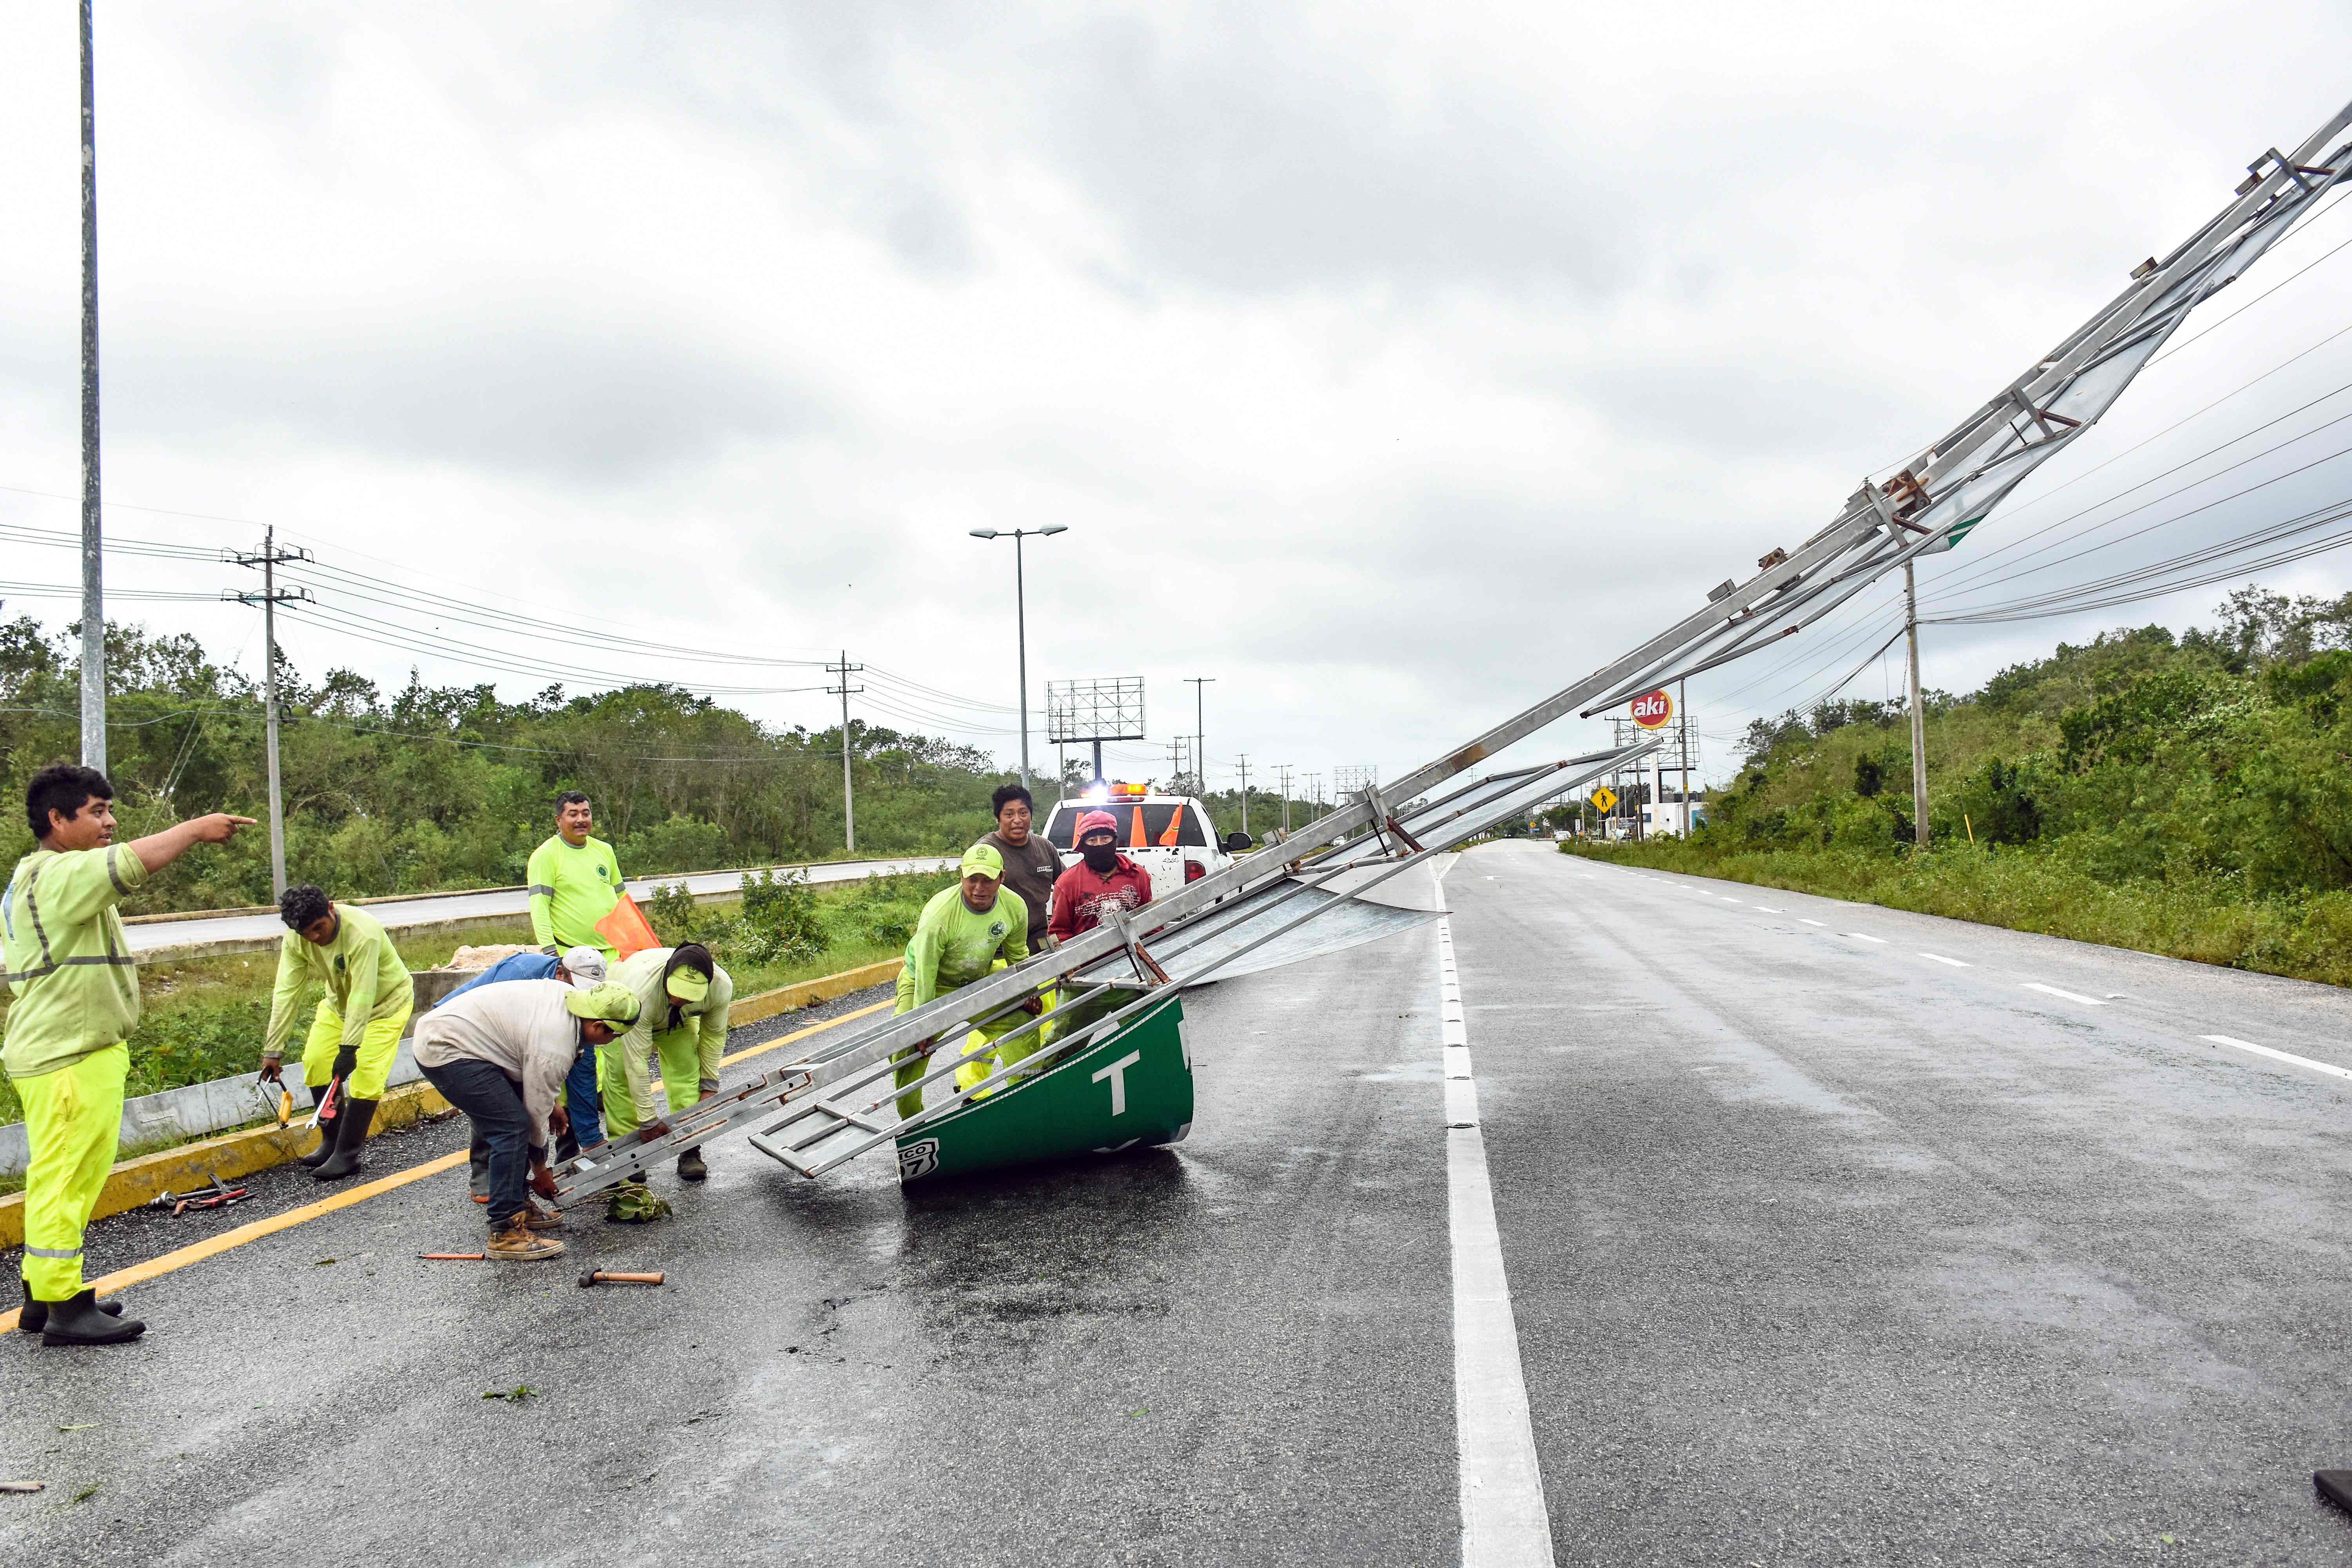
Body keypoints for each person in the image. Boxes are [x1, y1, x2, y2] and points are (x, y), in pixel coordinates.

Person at [3, 763, 252, 1345]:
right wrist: (193, 829)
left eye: (109, 811)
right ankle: (64, 1307)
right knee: (66, 1181)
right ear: (57, 820)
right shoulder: (60, 874)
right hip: (67, 1055)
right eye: (96, 812)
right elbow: (132, 864)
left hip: (68, 1050)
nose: (110, 822)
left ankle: (41, 1293)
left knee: (62, 1178)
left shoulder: (38, 876)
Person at [412, 978, 642, 1261]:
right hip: (446, 1046)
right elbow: (535, 1115)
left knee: (516, 1121)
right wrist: (541, 1168)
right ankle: (506, 1231)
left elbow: (531, 1064)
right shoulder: (554, 1046)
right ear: (597, 1026)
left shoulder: (572, 1002)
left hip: (473, 1040)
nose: (612, 1042)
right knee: (511, 1127)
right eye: (614, 1036)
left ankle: (518, 1203)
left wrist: (553, 1103)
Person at [260, 884, 415, 1182]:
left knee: (367, 1074)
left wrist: (349, 1049)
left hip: (385, 1005)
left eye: (319, 928)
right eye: (307, 934)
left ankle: (347, 1154)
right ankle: (331, 1142)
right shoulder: (297, 937)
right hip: (339, 1006)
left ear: (331, 908)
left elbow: (363, 994)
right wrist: (273, 1052)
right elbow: (286, 992)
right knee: (316, 1061)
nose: (315, 938)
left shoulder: (363, 933)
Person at [435, 945, 609, 1200]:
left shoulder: (578, 1009)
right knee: (500, 1106)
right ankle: (486, 1176)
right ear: (560, 973)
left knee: (549, 1090)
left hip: (513, 1040)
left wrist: (591, 1137)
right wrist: (545, 1110)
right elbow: (497, 1042)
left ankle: (556, 1160)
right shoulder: (520, 974)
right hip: (466, 1035)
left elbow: (578, 1072)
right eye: (577, 987)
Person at [890, 843, 1034, 1120]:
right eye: (973, 879)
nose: (979, 888)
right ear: (962, 877)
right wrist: (924, 1025)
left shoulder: (1014, 906)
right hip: (927, 981)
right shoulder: (939, 914)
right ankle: (914, 1124)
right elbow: (926, 972)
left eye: (988, 880)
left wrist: (1028, 993)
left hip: (976, 979)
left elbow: (1018, 956)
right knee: (907, 1047)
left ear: (1002, 878)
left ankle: (1024, 1106)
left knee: (1021, 1024)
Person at [600, 942, 735, 1181]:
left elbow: (713, 1036)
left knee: (687, 1069)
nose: (679, 999)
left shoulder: (721, 987)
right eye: (676, 991)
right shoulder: (641, 991)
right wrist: (648, 1120)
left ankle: (690, 1147)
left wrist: (710, 1085)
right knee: (621, 1074)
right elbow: (637, 1063)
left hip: (674, 1021)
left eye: (688, 996)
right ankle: (628, 1155)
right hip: (625, 1011)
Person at [526, 791, 624, 960]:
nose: (581, 820)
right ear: (559, 820)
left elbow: (622, 899)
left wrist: (633, 940)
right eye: (573, 815)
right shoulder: (546, 855)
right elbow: (539, 907)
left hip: (613, 952)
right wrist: (550, 952)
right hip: (571, 955)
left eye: (586, 814)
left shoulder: (605, 850)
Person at [979, 783, 1062, 956]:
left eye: (1023, 813)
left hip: (1038, 936)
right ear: (998, 818)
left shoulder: (1045, 847)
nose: (1017, 820)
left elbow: (1067, 885)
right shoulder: (986, 852)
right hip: (998, 942)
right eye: (1009, 814)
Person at [1047, 809, 1154, 942]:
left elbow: (1152, 921)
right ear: (1083, 846)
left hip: (1136, 955)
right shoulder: (1067, 883)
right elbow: (1059, 933)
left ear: (1115, 842)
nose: (1099, 845)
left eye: (1105, 839)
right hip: (1090, 961)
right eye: (1092, 841)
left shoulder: (1138, 875)